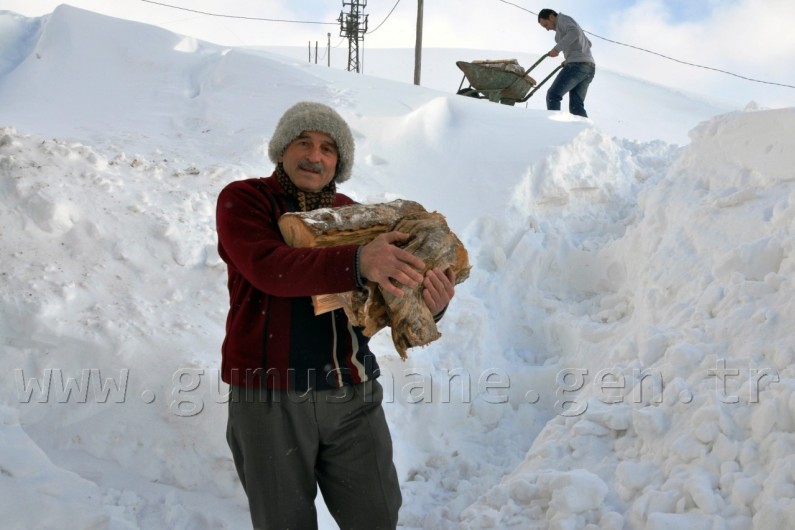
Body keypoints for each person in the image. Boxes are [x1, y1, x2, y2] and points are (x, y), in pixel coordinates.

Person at [215, 100, 456, 530]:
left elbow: (379, 301)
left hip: (352, 391)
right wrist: (359, 260)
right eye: (303, 142)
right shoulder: (246, 199)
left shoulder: (352, 213)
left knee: (376, 516)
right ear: (282, 149)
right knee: (283, 522)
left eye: (328, 148)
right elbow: (269, 268)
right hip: (269, 396)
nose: (315, 156)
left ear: (339, 162)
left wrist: (428, 304)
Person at [538, 8, 596, 118]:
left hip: (577, 66)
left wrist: (557, 49)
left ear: (551, 17)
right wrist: (570, 58)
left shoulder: (562, 20)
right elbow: (588, 43)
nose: (547, 29)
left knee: (553, 95)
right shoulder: (567, 23)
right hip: (589, 67)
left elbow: (575, 32)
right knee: (576, 106)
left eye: (546, 25)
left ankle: (555, 125)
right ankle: (584, 128)